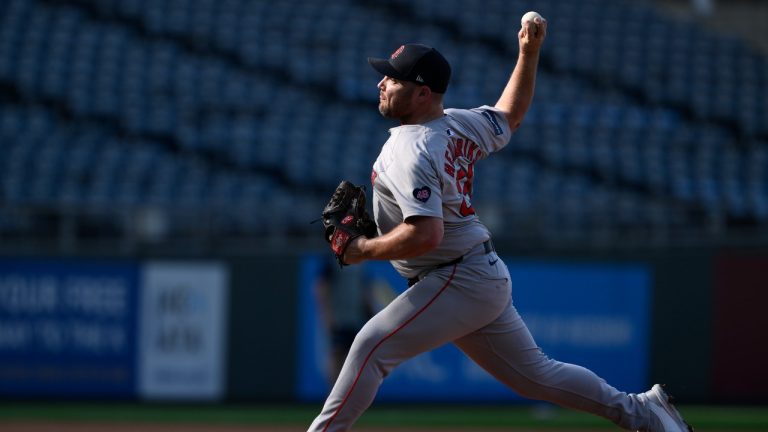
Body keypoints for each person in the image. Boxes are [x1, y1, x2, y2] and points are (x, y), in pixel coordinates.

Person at [308, 16, 692, 432]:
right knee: (537, 377)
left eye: (393, 79)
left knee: (369, 347)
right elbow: (511, 115)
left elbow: (426, 234)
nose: (382, 83)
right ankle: (644, 412)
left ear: (422, 92)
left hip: (456, 276)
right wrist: (528, 53)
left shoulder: (412, 148)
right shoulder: (456, 123)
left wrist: (362, 250)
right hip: (475, 273)